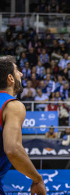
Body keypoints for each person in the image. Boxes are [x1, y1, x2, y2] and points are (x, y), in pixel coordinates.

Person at [0, 56, 46, 194]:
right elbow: (13, 149)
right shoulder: (13, 106)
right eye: (17, 71)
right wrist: (37, 179)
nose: (21, 74)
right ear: (10, 78)